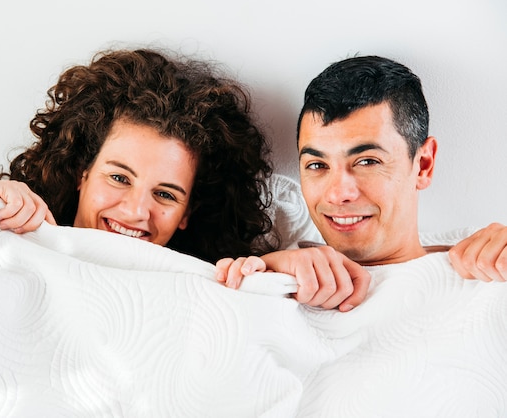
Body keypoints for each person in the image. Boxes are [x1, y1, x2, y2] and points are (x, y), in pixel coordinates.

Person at [216, 55, 507, 310]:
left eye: (367, 161)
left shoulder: (485, 273)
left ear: (423, 164)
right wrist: (265, 275)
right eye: (317, 165)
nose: (339, 194)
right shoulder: (274, 270)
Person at [0, 48, 288, 264]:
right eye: (119, 177)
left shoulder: (207, 287)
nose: (137, 211)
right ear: (81, 172)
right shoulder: (13, 235)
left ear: (187, 214)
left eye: (165, 194)